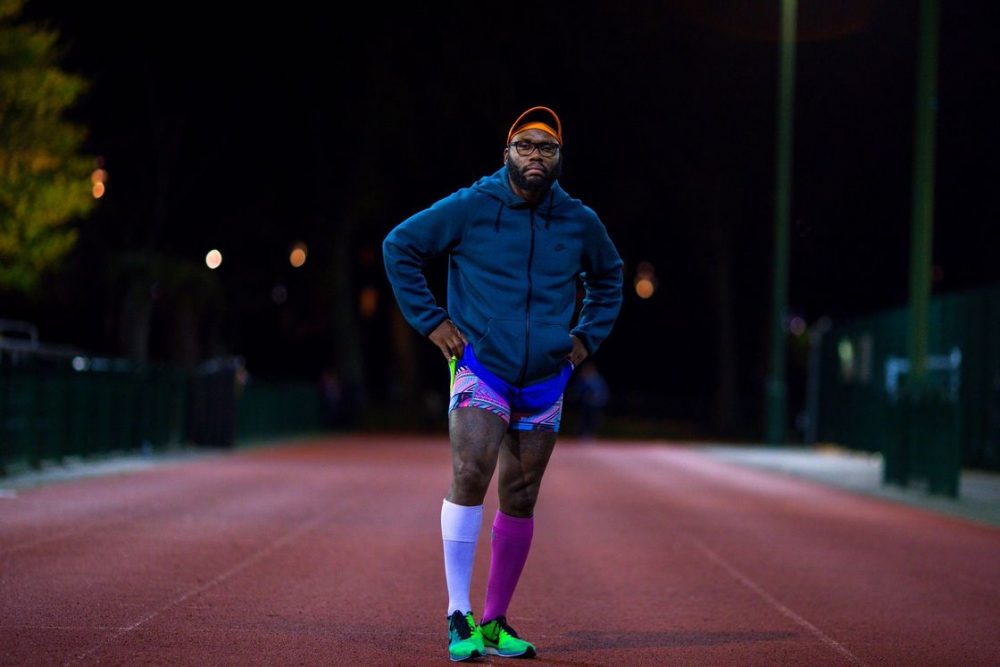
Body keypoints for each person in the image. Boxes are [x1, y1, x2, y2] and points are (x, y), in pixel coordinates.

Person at [382, 106, 623, 662]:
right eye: (525, 146)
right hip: (482, 366)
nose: (536, 155)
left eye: (547, 147)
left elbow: (610, 277)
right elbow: (399, 246)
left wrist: (585, 338)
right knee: (471, 471)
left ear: (560, 158)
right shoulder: (472, 205)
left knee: (521, 492)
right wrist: (433, 322)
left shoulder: (579, 220)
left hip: (545, 377)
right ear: (507, 153)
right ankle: (458, 614)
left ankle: (494, 622)